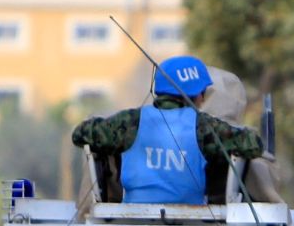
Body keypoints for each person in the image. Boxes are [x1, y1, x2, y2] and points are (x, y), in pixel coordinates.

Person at [71, 55, 263, 205]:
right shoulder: (204, 127)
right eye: (203, 93)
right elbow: (254, 145)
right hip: (191, 224)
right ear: (195, 94)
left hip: (131, 218)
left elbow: (80, 134)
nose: (204, 99)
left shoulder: (130, 121)